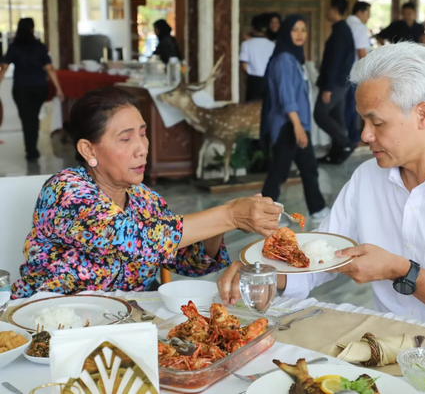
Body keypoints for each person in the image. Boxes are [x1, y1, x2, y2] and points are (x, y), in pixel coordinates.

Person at [219, 42, 425, 326]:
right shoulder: (367, 178)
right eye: (363, 121)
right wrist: (264, 274)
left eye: (377, 123)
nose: (365, 135)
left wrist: (401, 271)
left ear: (422, 116)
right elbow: (321, 259)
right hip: (383, 349)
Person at [11, 87, 282, 299]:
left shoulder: (144, 199)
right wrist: (230, 215)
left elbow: (191, 262)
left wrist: (223, 221)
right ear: (89, 150)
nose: (141, 148)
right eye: (126, 139)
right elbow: (134, 238)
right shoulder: (65, 191)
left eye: (143, 134)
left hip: (126, 328)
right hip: (48, 329)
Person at [261, 15, 329, 223]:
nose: (300, 34)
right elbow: (286, 97)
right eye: (295, 30)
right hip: (288, 125)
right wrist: (298, 127)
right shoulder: (284, 59)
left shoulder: (293, 58)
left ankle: (317, 209)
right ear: (286, 32)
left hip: (297, 123)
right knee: (279, 172)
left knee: (308, 167)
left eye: (303, 30)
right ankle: (264, 215)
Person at [0, 18, 64, 161]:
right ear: (32, 29)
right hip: (39, 87)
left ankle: (31, 150)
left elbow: (3, 68)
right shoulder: (40, 47)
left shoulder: (14, 47)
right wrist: (59, 88)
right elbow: (50, 69)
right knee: (33, 117)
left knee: (26, 118)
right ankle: (32, 149)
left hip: (21, 88)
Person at [314, 0, 356, 164]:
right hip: (340, 82)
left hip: (335, 84)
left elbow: (335, 62)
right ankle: (335, 153)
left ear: (333, 9)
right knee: (336, 116)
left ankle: (345, 144)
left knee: (320, 114)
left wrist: (328, 88)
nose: (325, 11)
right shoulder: (342, 29)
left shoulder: (341, 32)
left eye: (327, 7)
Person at [345, 1, 371, 145]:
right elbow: (362, 52)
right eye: (367, 13)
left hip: (343, 72)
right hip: (354, 73)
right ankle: (353, 140)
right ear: (360, 12)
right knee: (352, 108)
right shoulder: (359, 27)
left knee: (345, 108)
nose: (368, 17)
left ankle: (346, 139)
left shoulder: (346, 23)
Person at [239, 15, 275, 101]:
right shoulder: (273, 45)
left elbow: (244, 66)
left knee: (251, 109)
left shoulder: (246, 44)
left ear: (252, 28)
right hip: (269, 80)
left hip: (253, 81)